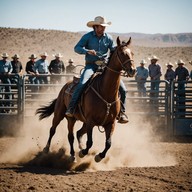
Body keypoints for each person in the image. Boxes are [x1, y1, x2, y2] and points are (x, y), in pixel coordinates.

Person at [65, 16, 128, 123]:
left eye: (104, 26)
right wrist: (87, 51)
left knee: (123, 89)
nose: (103, 28)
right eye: (101, 26)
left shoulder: (108, 37)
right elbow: (77, 48)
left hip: (105, 66)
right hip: (91, 65)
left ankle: (121, 112)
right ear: (95, 26)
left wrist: (121, 49)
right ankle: (71, 108)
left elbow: (113, 49)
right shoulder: (87, 37)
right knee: (82, 83)